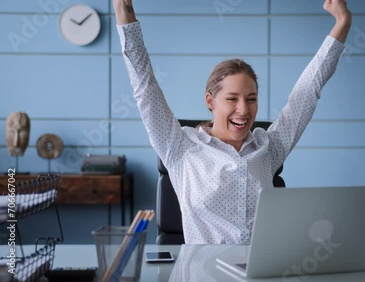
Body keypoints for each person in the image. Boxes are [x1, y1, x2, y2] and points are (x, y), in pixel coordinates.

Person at [113, 0, 351, 244]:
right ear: (210, 101)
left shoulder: (268, 148)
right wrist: (124, 9)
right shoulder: (179, 146)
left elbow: (308, 91)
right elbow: (145, 85)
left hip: (261, 272)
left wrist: (342, 23)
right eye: (232, 99)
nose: (243, 109)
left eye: (251, 99)